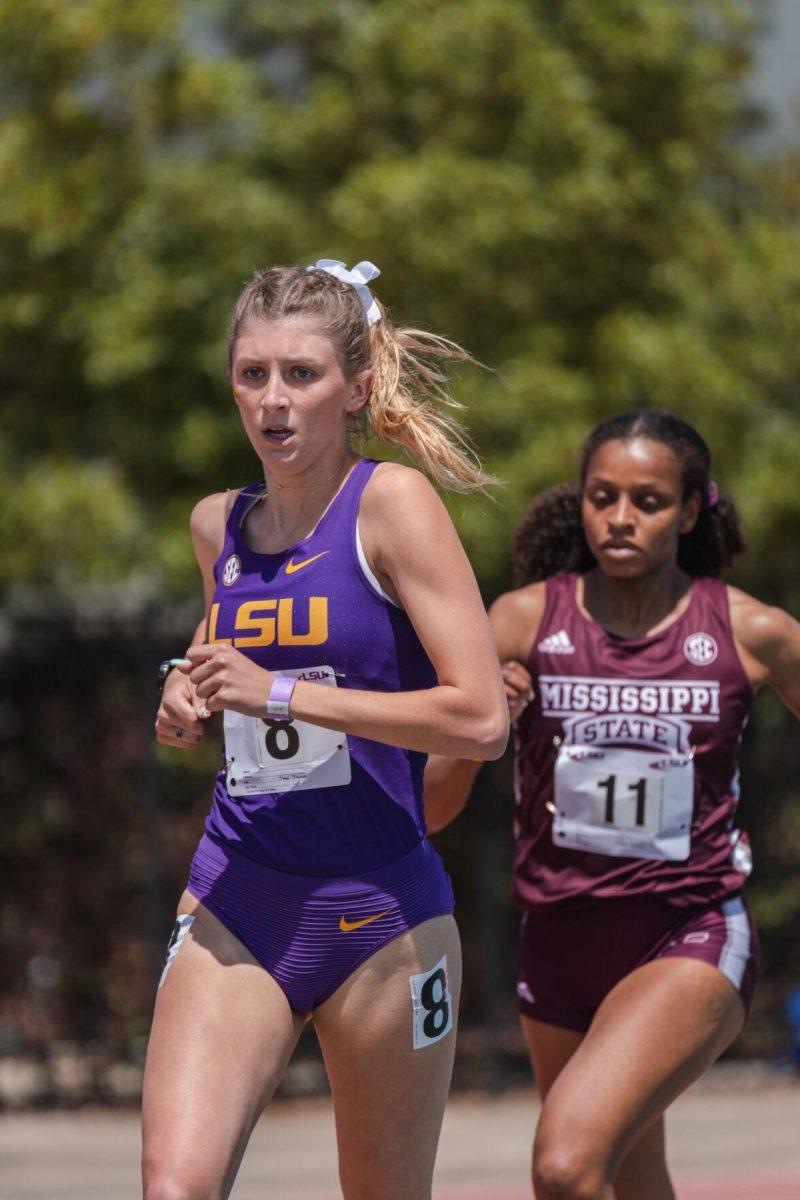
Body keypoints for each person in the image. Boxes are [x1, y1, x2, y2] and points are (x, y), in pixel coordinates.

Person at [145, 258, 509, 1200]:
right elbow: (221, 652)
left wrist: (279, 696)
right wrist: (186, 691)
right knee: (174, 1190)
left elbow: (479, 719)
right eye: (252, 374)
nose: (274, 401)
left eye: (300, 375)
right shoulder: (215, 526)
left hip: (384, 912)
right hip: (240, 892)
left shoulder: (392, 506)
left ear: (354, 386)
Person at [424, 411, 800, 1200]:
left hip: (688, 932)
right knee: (629, 1179)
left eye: (649, 501)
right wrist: (484, 729)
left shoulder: (751, 630)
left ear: (692, 510)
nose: (620, 518)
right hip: (557, 941)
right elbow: (430, 809)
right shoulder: (521, 622)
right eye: (603, 497)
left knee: (565, 1166)